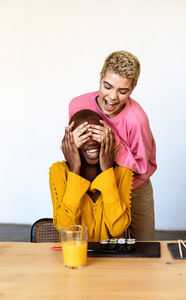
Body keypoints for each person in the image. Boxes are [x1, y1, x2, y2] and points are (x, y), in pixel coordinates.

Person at [68, 51, 157, 240]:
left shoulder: (136, 120)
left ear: (132, 89)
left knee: (144, 246)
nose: (113, 97)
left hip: (135, 188)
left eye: (123, 91)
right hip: (96, 186)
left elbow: (143, 167)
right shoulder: (78, 104)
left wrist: (113, 143)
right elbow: (74, 150)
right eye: (107, 86)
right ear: (100, 78)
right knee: (94, 246)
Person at [49, 110, 133, 242]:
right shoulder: (59, 171)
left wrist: (107, 171)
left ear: (108, 137)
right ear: (69, 142)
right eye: (83, 135)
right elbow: (65, 228)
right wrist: (75, 170)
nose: (91, 142)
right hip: (72, 258)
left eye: (95, 133)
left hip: (110, 259)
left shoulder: (123, 173)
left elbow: (118, 228)